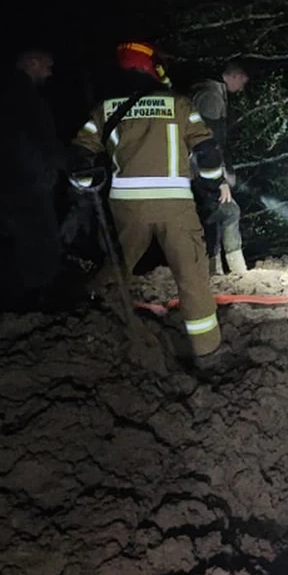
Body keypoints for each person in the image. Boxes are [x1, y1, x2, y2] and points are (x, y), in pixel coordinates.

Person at [69, 41, 232, 368]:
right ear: (151, 68)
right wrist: (215, 185)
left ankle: (93, 309)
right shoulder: (180, 104)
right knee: (192, 276)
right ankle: (209, 355)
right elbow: (208, 153)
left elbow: (80, 155)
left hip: (127, 207)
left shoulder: (106, 108)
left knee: (120, 262)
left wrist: (85, 184)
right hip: (175, 206)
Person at [0, 48, 65, 303]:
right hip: (27, 184)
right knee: (40, 243)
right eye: (47, 65)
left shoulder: (4, 94)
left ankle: (29, 296)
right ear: (32, 62)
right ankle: (39, 300)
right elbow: (37, 140)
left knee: (24, 242)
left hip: (11, 182)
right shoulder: (23, 97)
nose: (50, 72)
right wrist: (49, 171)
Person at [191, 62, 250, 274]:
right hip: (201, 169)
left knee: (215, 214)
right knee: (227, 212)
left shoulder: (210, 93)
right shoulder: (211, 98)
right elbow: (210, 142)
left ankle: (217, 268)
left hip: (199, 168)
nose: (242, 87)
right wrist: (221, 179)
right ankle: (226, 270)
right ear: (233, 75)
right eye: (242, 81)